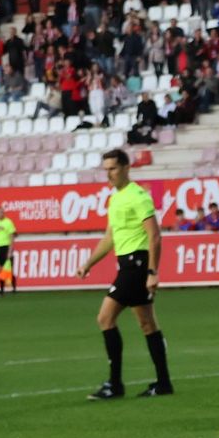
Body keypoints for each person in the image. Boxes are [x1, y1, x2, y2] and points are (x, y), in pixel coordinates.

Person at [75, 149, 173, 399]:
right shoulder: (115, 198)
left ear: (126, 168)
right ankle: (163, 383)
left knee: (105, 318)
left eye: (113, 168)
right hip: (128, 265)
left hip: (136, 265)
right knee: (147, 323)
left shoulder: (138, 197)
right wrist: (89, 263)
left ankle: (115, 384)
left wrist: (152, 272)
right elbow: (110, 238)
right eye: (106, 169)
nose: (109, 174)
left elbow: (154, 235)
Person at [0, 206, 19, 294]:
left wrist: (10, 250)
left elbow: (12, 236)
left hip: (7, 246)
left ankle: (13, 288)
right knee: (0, 268)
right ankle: (2, 289)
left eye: (1, 212)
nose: (0, 214)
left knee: (8, 268)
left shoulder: (8, 222)